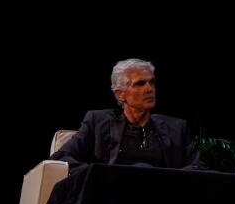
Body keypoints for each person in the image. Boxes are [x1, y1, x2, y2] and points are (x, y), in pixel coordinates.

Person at [50, 58, 204, 169]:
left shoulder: (176, 128)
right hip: (112, 199)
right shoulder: (97, 122)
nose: (149, 89)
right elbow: (62, 157)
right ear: (120, 94)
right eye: (140, 84)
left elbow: (198, 166)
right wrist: (98, 175)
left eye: (152, 82)